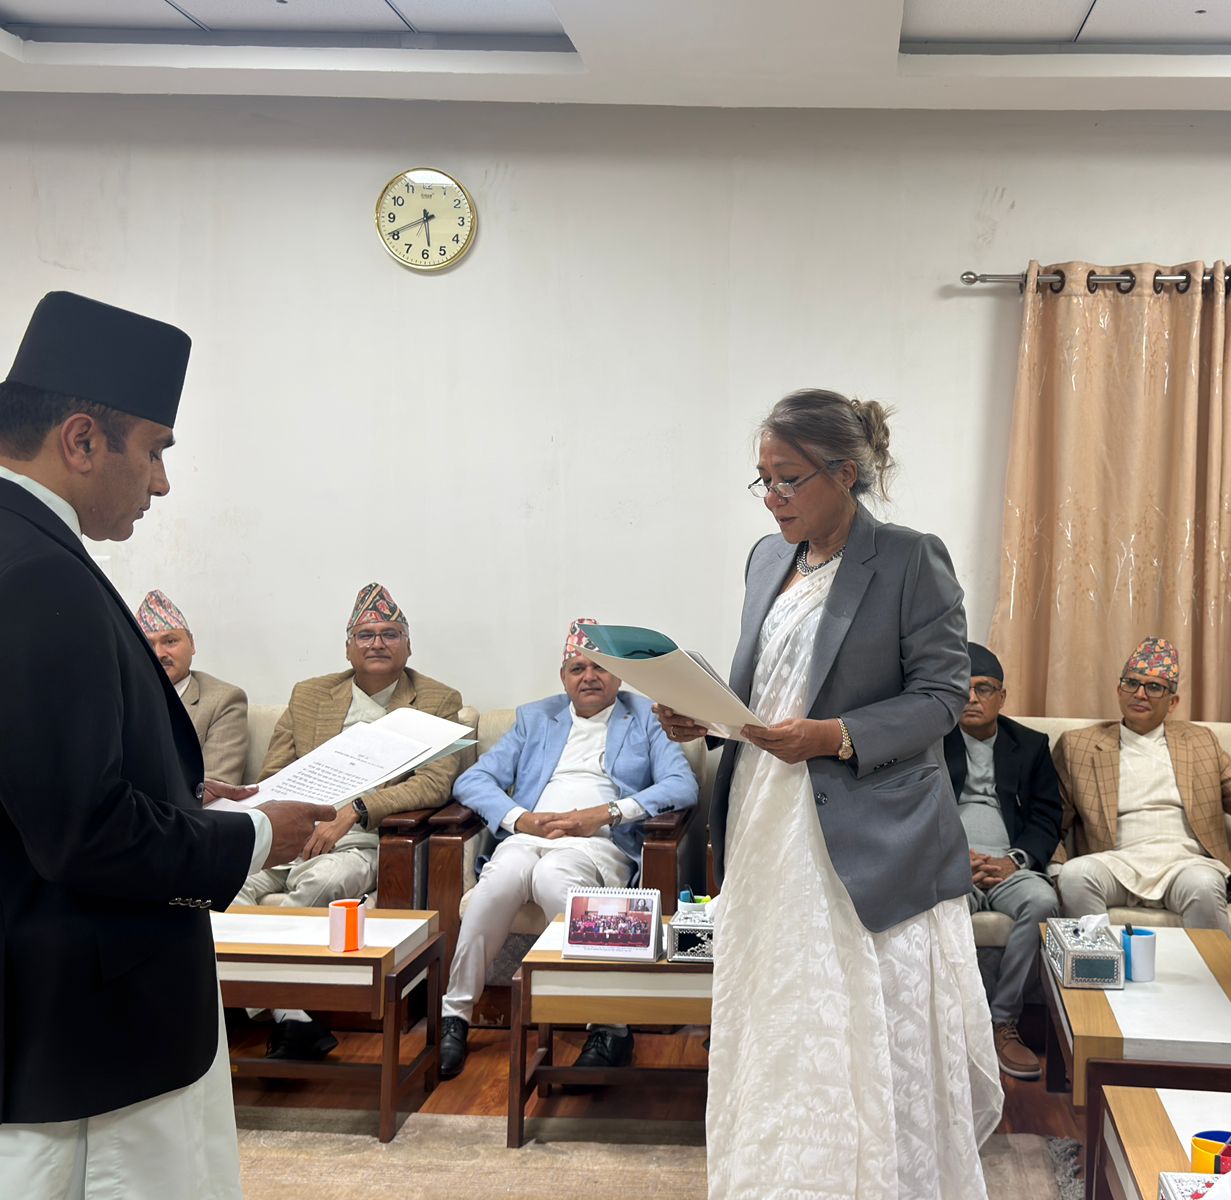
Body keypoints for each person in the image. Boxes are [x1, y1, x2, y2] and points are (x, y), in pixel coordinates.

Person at [0, 292, 331, 1198]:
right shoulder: (39, 574)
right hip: (86, 1032)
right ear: (82, 440)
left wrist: (181, 800)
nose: (161, 483)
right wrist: (257, 834)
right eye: (154, 450)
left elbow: (37, 787)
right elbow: (84, 833)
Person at [657, 388, 1003, 1198]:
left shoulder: (911, 559)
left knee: (853, 1014)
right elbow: (767, 693)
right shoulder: (766, 560)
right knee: (778, 1006)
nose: (773, 496)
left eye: (790, 478)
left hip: (868, 829)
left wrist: (836, 734)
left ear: (846, 473)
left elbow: (941, 697)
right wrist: (705, 719)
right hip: (762, 816)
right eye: (764, 479)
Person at [438, 620, 697, 1079]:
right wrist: (520, 819)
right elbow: (473, 780)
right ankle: (454, 1016)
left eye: (600, 667)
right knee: (497, 882)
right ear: (563, 677)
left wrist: (605, 814)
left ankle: (610, 1027)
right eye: (578, 668)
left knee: (552, 877)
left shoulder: (647, 717)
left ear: (618, 675)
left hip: (598, 843)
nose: (589, 676)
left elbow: (682, 784)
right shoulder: (536, 718)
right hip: (530, 835)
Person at [236, 581, 464, 1060]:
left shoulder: (437, 699)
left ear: (408, 646)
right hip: (292, 832)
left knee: (320, 884)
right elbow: (273, 775)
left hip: (364, 838)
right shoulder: (310, 695)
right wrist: (277, 823)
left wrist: (355, 811)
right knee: (224, 882)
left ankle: (277, 1012)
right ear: (347, 647)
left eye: (390, 634)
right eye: (365, 635)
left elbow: (434, 784)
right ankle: (290, 1015)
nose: (377, 643)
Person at [1054, 637, 1231, 934]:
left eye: (1154, 687)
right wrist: (1054, 866)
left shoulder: (1200, 741)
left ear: (1172, 702)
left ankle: (1207, 967)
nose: (1140, 694)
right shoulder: (1078, 746)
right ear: (1119, 690)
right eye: (1131, 683)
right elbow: (1052, 820)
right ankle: (1097, 964)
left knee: (1204, 885)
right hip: (1115, 862)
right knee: (1075, 875)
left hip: (1184, 864)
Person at [942, 640, 1061, 1081]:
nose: (972, 698)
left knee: (1043, 902)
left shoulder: (1029, 744)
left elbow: (1048, 816)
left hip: (1010, 865)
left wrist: (1015, 859)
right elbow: (913, 811)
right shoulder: (931, 741)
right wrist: (951, 858)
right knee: (938, 905)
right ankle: (953, 1026)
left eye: (984, 688)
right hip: (951, 864)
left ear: (1002, 696)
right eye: (963, 688)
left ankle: (1002, 1022)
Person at [137, 588, 250, 784]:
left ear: (191, 644)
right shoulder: (120, 698)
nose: (159, 654)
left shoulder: (223, 701)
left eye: (170, 641)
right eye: (148, 645)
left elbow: (216, 785)